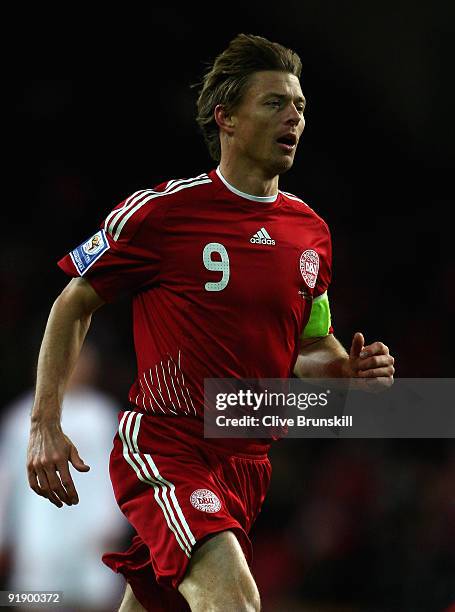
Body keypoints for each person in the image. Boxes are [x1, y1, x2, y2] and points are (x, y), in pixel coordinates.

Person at [26, 33, 395, 612]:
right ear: (225, 117)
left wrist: (348, 373)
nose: (294, 116)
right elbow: (73, 301)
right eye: (274, 102)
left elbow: (311, 346)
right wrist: (45, 421)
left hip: (246, 460)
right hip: (168, 442)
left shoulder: (310, 233)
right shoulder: (162, 213)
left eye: (299, 105)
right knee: (234, 601)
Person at [1, 344, 129, 611]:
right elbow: (6, 483)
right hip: (39, 540)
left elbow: (116, 476)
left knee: (94, 600)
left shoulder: (102, 414)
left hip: (92, 541)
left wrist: (114, 524)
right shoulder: (20, 417)